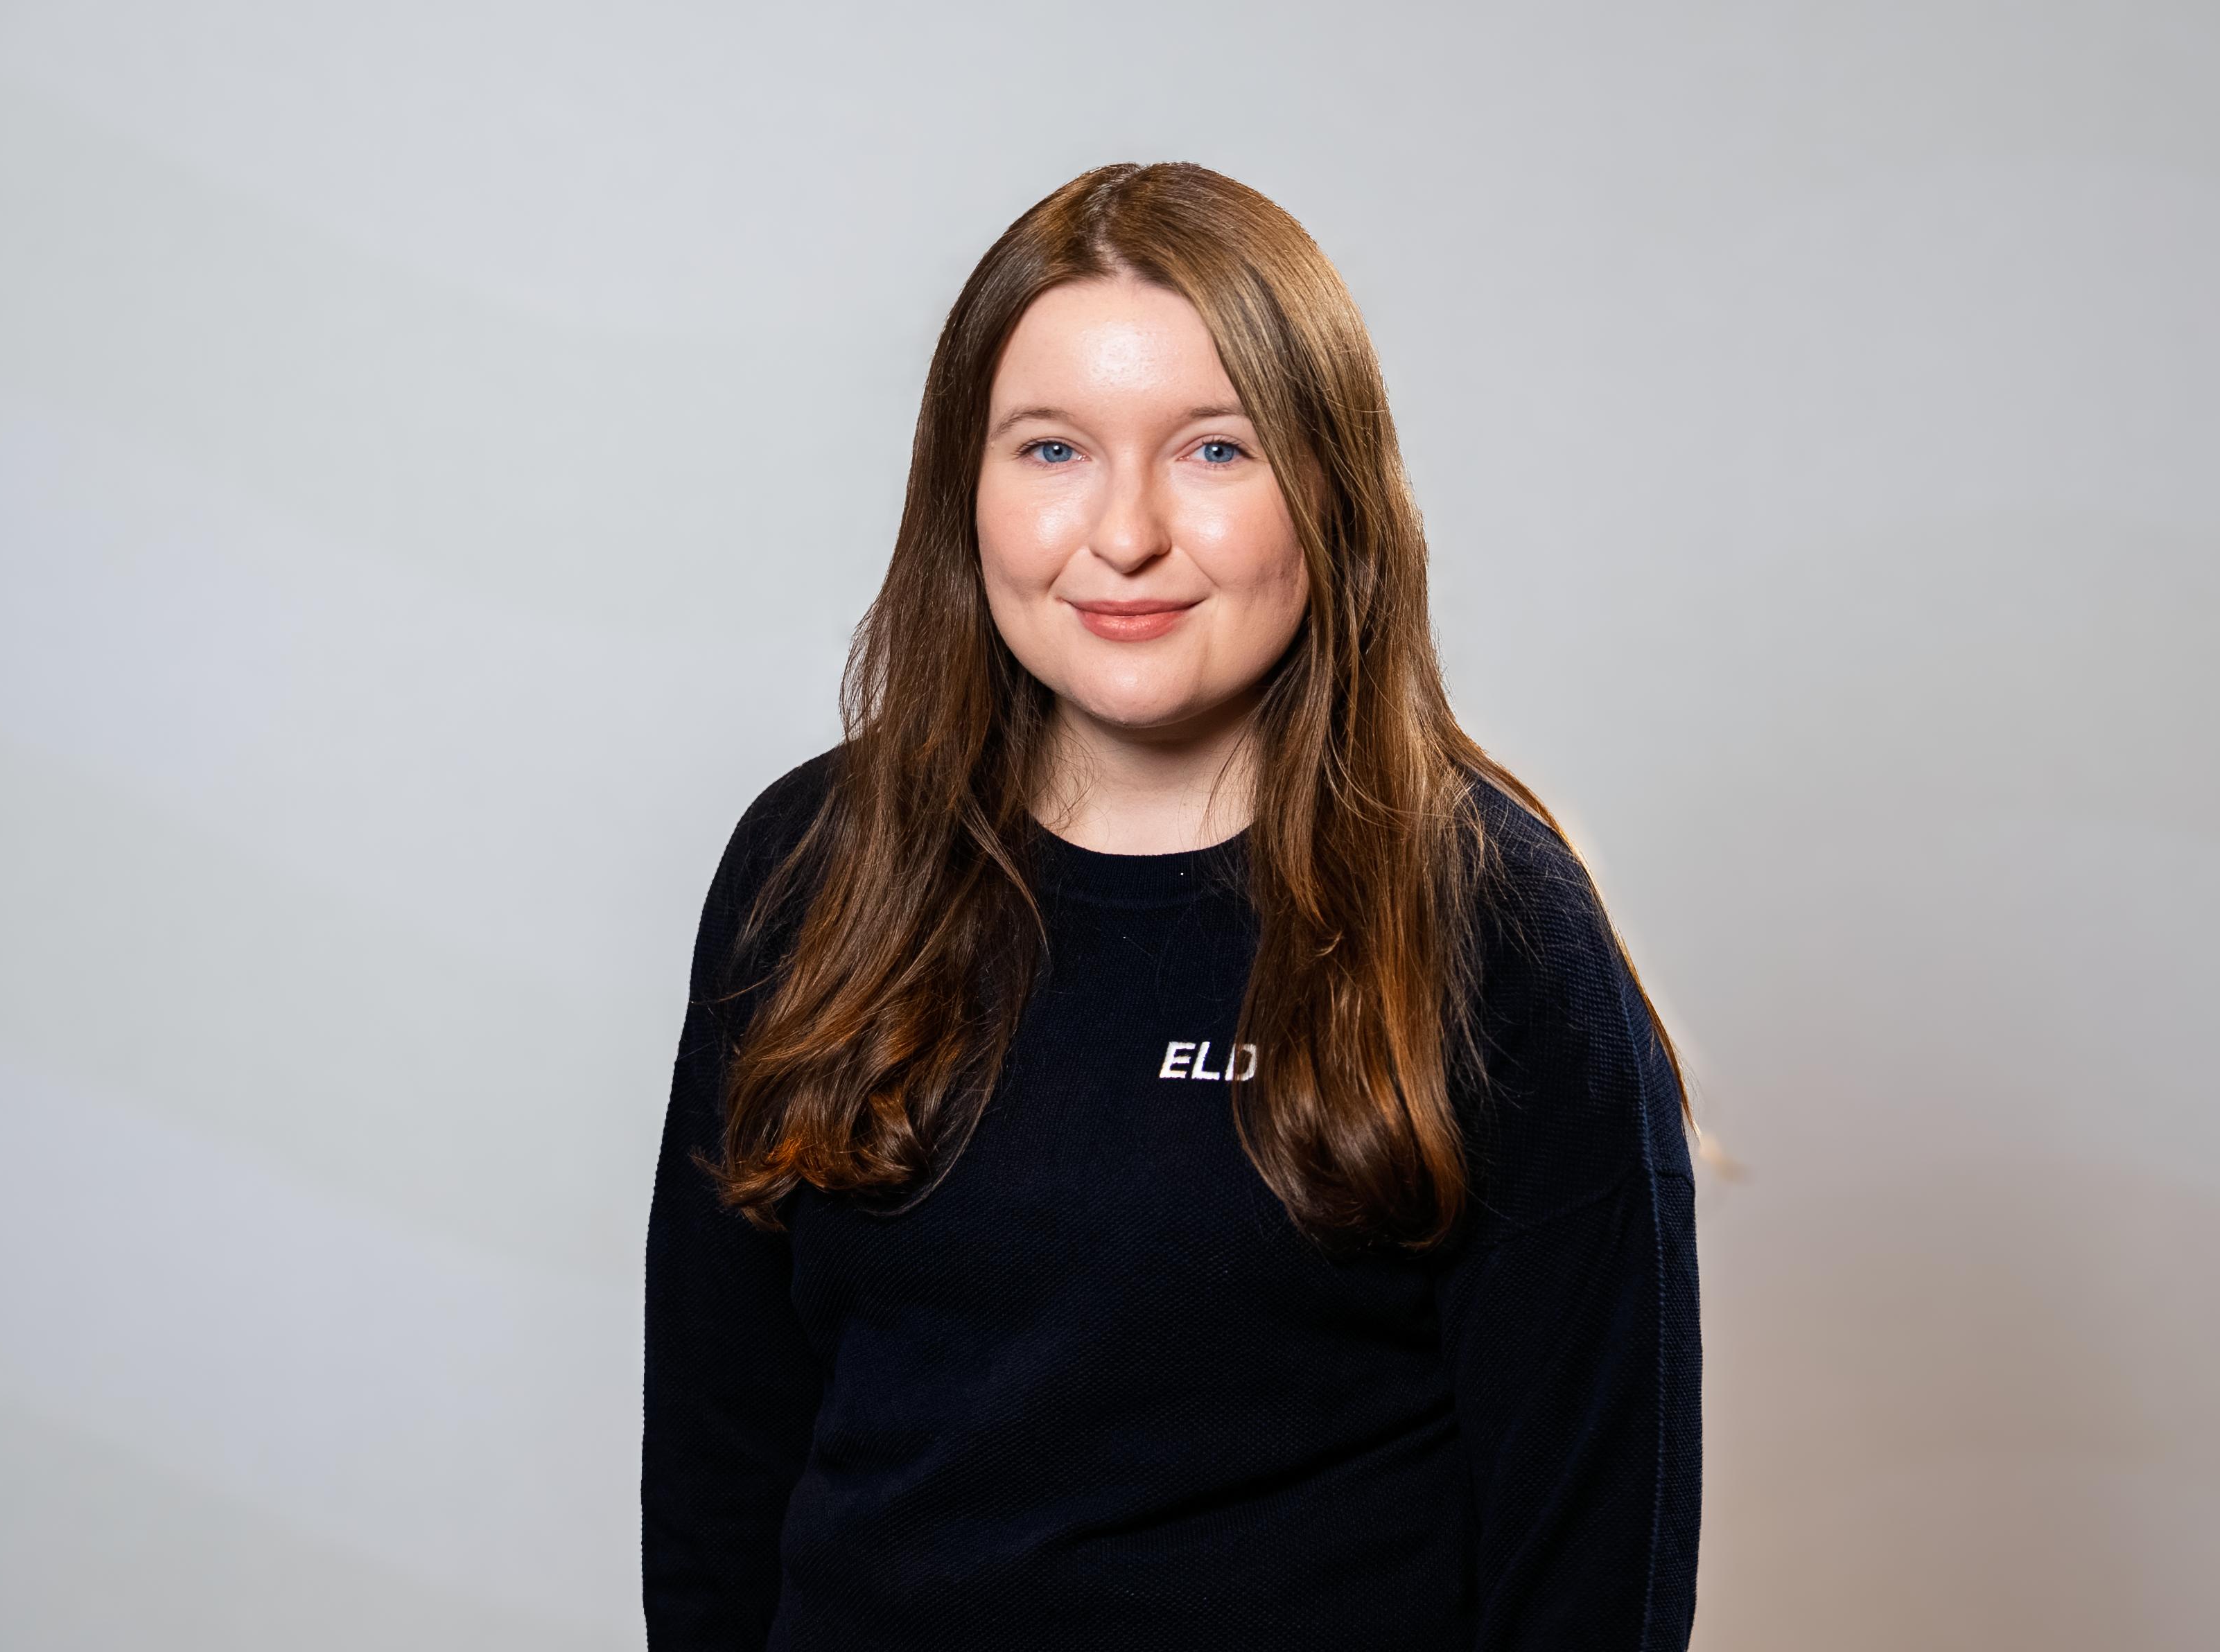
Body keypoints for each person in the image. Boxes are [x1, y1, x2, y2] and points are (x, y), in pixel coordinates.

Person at [642, 161, 1700, 1651]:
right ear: (966, 488)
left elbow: (1593, 1575)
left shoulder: (1488, 926)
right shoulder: (811, 864)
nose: (1123, 532)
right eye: (1052, 449)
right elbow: (716, 1470)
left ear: (1328, 489)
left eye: (1213, 449)